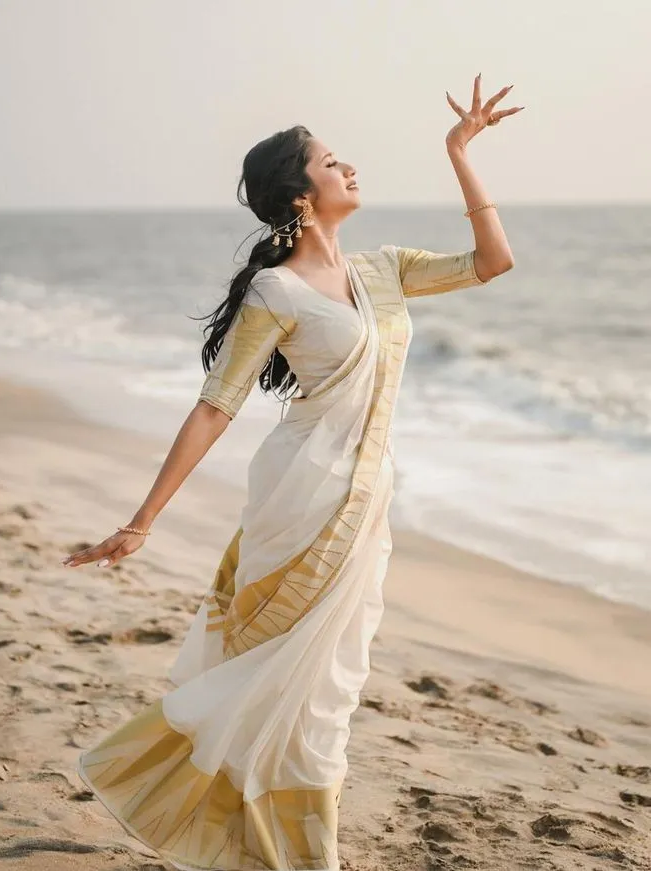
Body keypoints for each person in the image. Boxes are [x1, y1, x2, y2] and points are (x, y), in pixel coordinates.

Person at [62, 74, 520, 871]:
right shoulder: (275, 290)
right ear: (300, 195)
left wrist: (459, 153)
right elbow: (215, 407)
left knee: (333, 680)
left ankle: (287, 846)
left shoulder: (387, 269)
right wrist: (142, 520)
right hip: (302, 497)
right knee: (296, 677)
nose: (350, 170)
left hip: (368, 497)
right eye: (332, 162)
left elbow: (494, 261)